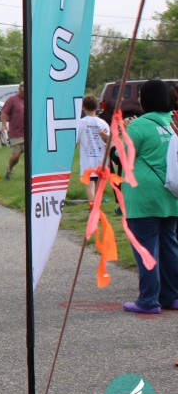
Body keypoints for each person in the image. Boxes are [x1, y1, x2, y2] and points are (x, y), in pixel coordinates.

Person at [118, 79, 178, 314]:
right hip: (172, 193)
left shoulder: (139, 126)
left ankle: (148, 300)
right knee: (169, 246)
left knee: (145, 249)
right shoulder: (173, 122)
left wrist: (120, 135)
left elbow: (123, 157)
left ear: (144, 100)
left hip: (143, 196)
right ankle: (172, 296)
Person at [76, 95, 110, 204]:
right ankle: (97, 208)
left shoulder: (80, 123)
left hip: (87, 161)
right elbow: (108, 141)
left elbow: (76, 140)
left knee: (90, 186)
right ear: (97, 107)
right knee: (99, 187)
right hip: (101, 160)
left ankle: (93, 208)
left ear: (83, 107)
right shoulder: (103, 123)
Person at [1, 83, 26, 180]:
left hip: (28, 133)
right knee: (16, 156)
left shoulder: (30, 99)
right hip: (16, 133)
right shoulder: (12, 99)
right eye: (23, 90)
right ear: (19, 89)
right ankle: (9, 169)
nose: (24, 92)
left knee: (32, 156)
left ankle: (32, 175)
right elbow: (4, 112)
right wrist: (4, 125)